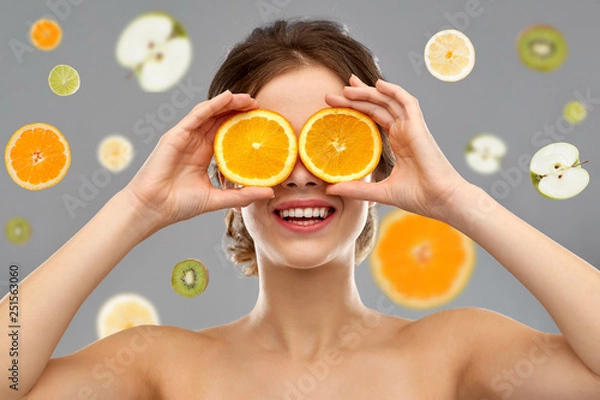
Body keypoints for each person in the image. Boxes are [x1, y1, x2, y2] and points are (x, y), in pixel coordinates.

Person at [2, 18, 600, 400]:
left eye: (330, 140)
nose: (301, 171)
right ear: (225, 170)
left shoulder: (455, 350)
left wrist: (459, 201)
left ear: (379, 164)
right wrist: (137, 206)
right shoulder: (160, 364)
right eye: (268, 145)